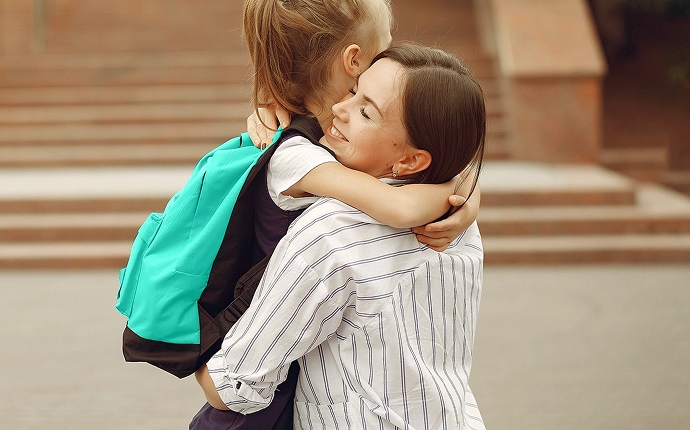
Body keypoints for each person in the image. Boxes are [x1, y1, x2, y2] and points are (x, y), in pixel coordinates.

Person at [184, 0, 481, 428]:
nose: (346, 109)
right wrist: (459, 190)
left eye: (365, 107)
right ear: (354, 59)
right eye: (357, 92)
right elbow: (398, 205)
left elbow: (232, 384)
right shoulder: (299, 157)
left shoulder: (333, 229)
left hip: (272, 362)